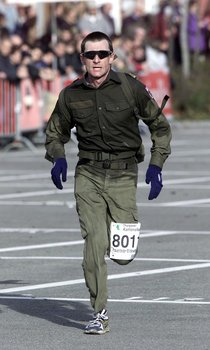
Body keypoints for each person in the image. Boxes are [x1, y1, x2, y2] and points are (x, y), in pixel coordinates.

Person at [44, 31, 172, 335]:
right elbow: (54, 132)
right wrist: (58, 157)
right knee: (94, 243)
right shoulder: (71, 94)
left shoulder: (130, 88)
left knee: (122, 256)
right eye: (90, 55)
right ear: (82, 59)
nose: (97, 60)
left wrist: (156, 165)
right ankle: (99, 312)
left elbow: (160, 127)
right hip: (88, 173)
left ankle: (119, 253)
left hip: (124, 174)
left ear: (112, 57)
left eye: (102, 54)